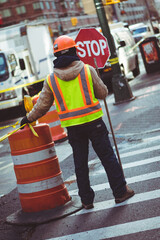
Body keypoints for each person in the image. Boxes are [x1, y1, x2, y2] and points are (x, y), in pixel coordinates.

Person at [20, 35, 134, 209]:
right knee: (108, 157)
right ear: (75, 50)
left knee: (80, 164)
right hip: (94, 122)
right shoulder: (87, 70)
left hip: (73, 128)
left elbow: (42, 105)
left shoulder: (51, 79)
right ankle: (120, 192)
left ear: (56, 56)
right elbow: (102, 93)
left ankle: (86, 201)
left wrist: (28, 119)